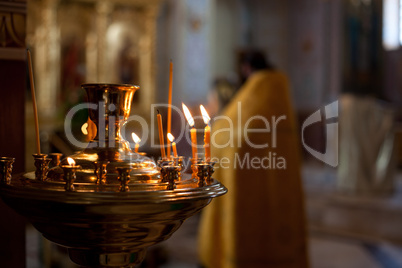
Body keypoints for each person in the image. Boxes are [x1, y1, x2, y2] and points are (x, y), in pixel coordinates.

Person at [198, 50, 309, 268]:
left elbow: (232, 129)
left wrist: (216, 133)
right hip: (278, 172)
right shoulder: (279, 87)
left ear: (247, 68)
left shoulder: (258, 87)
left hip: (249, 172)